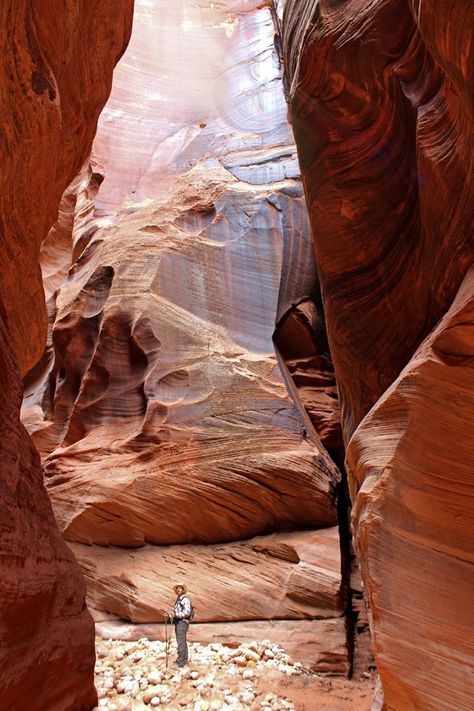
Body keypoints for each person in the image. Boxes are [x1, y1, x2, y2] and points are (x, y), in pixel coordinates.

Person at [172, 583, 192, 667]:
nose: (178, 589)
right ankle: (184, 660)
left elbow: (187, 612)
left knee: (180, 642)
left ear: (183, 590)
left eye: (180, 588)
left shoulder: (185, 599)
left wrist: (176, 615)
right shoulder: (178, 600)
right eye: (177, 588)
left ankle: (180, 662)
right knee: (182, 641)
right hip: (178, 622)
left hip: (182, 622)